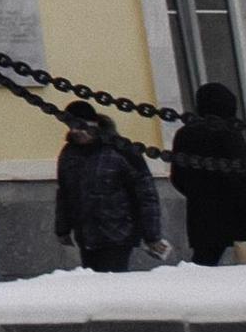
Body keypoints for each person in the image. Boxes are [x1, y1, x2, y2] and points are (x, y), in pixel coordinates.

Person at [53, 99, 164, 272]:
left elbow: (146, 193)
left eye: (80, 126)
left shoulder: (120, 150)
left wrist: (152, 235)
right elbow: (64, 193)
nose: (75, 132)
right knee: (95, 283)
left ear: (94, 124)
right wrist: (63, 228)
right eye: (71, 126)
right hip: (86, 235)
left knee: (113, 281)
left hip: (118, 234)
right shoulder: (69, 154)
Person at [168, 79, 246, 265]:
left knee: (204, 260)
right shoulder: (229, 134)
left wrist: (198, 194)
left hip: (200, 210)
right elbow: (240, 179)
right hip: (234, 210)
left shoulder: (184, 134)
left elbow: (178, 177)